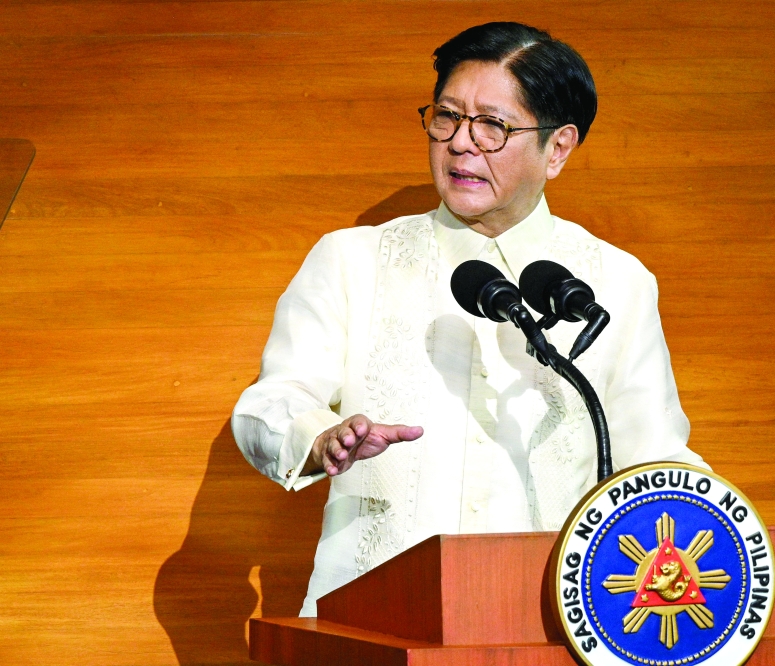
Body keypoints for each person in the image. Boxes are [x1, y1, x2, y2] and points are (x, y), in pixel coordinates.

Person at [232, 22, 707, 617]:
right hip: (372, 620)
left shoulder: (616, 283)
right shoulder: (353, 260)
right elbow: (267, 405)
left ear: (557, 148)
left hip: (550, 625)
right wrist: (317, 437)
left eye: (493, 125)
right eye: (447, 117)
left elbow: (654, 458)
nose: (460, 143)